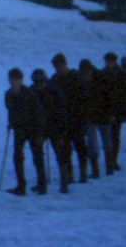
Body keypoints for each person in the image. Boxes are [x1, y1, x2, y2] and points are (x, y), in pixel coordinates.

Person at [5, 67, 46, 196]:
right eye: (11, 80)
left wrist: (40, 133)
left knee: (37, 157)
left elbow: (39, 114)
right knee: (17, 157)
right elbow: (11, 111)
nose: (13, 82)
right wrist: (11, 124)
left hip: (33, 129)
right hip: (19, 130)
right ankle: (21, 186)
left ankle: (42, 185)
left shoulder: (29, 94)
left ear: (21, 80)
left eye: (16, 80)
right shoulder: (9, 94)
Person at [50, 53, 88, 183]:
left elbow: (84, 98)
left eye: (58, 65)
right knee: (65, 149)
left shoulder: (76, 77)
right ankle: (69, 174)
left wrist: (84, 117)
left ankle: (83, 172)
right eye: (55, 66)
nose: (57, 68)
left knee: (80, 147)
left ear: (64, 64)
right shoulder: (54, 80)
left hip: (77, 119)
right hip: (62, 121)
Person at [31, 68, 71, 193]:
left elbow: (62, 112)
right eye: (36, 82)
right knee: (38, 156)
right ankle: (41, 184)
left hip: (55, 128)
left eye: (41, 81)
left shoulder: (54, 91)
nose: (39, 84)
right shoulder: (31, 92)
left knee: (60, 155)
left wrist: (62, 131)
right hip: (40, 129)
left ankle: (64, 183)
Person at [98, 52, 126, 173]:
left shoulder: (121, 74)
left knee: (115, 137)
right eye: (107, 61)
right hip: (105, 110)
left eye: (111, 61)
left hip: (118, 110)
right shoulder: (102, 74)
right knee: (108, 137)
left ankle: (113, 160)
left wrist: (125, 111)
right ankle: (110, 161)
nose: (109, 63)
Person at [79, 59, 108, 179]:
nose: (86, 75)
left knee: (107, 141)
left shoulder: (101, 80)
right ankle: (96, 169)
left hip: (102, 115)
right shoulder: (80, 82)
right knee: (92, 143)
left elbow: (108, 98)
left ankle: (110, 165)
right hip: (89, 117)